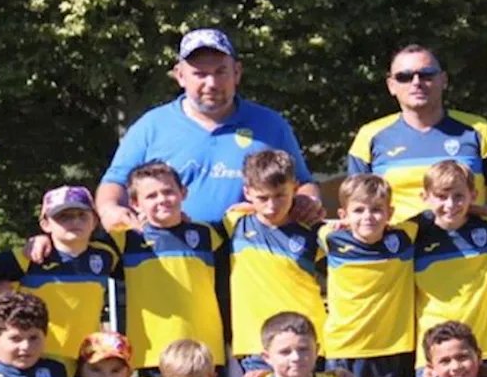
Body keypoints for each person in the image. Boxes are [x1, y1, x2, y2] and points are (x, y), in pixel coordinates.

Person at [96, 28, 322, 232]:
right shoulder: (151, 126)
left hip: (251, 260)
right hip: (176, 259)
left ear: (237, 73)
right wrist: (109, 210)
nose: (211, 83)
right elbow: (114, 183)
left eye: (220, 71)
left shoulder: (271, 125)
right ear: (180, 76)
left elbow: (302, 183)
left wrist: (307, 202)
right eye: (200, 74)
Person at [348, 44, 487, 224]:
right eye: (404, 77)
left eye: (426, 74)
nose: (416, 83)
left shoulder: (479, 130)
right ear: (391, 85)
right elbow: (357, 208)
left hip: (471, 250)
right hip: (399, 250)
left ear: (444, 80)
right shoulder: (369, 136)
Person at [107, 162, 224, 377]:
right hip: (153, 353)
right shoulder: (125, 239)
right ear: (135, 203)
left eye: (168, 192)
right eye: (151, 196)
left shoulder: (208, 235)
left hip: (206, 350)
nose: (162, 200)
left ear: (183, 193)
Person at [222, 150, 325, 377]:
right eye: (262, 198)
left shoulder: (313, 232)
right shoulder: (235, 223)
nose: (271, 206)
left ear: (295, 189)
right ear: (247, 192)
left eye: (281, 196)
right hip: (256, 344)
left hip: (306, 340)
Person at [0, 186, 119, 364]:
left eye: (82, 215)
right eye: (64, 216)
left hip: (87, 358)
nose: (75, 221)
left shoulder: (107, 255)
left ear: (95, 221)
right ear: (45, 224)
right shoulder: (29, 257)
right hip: (37, 356)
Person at [412, 160, 487, 376]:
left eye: (459, 196)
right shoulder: (412, 235)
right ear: (425, 197)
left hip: (484, 347)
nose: (450, 205)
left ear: (473, 195)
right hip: (434, 352)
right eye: (441, 197)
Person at [320, 175, 417, 377]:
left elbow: (439, 211)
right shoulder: (329, 237)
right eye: (358, 210)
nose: (368, 216)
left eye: (376, 209)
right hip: (345, 348)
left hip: (393, 348)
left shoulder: (406, 236)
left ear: (390, 213)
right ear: (343, 215)